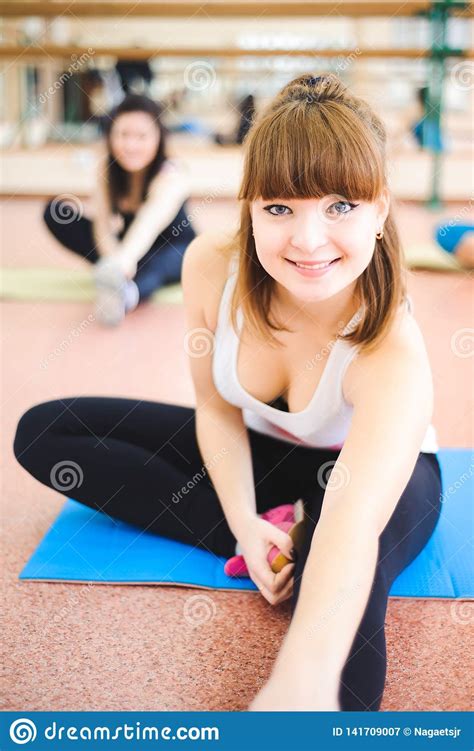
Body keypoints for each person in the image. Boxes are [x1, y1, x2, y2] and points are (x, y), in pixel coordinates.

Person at [14, 74, 442, 711]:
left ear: (380, 209)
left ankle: (307, 554)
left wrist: (296, 686)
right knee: (45, 432)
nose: (307, 239)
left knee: (345, 575)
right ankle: (279, 535)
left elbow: (352, 530)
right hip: (266, 452)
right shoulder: (211, 266)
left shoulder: (392, 352)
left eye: (340, 207)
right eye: (278, 208)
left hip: (372, 480)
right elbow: (215, 406)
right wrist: (243, 523)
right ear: (248, 206)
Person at [43, 95, 196, 326]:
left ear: (158, 139)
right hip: (127, 248)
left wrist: (123, 261)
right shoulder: (107, 168)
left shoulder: (172, 174)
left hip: (174, 248)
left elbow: (148, 224)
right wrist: (113, 256)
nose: (131, 146)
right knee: (55, 212)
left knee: (158, 265)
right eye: (123, 135)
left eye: (142, 136)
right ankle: (113, 276)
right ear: (111, 136)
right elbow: (102, 223)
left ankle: (126, 295)